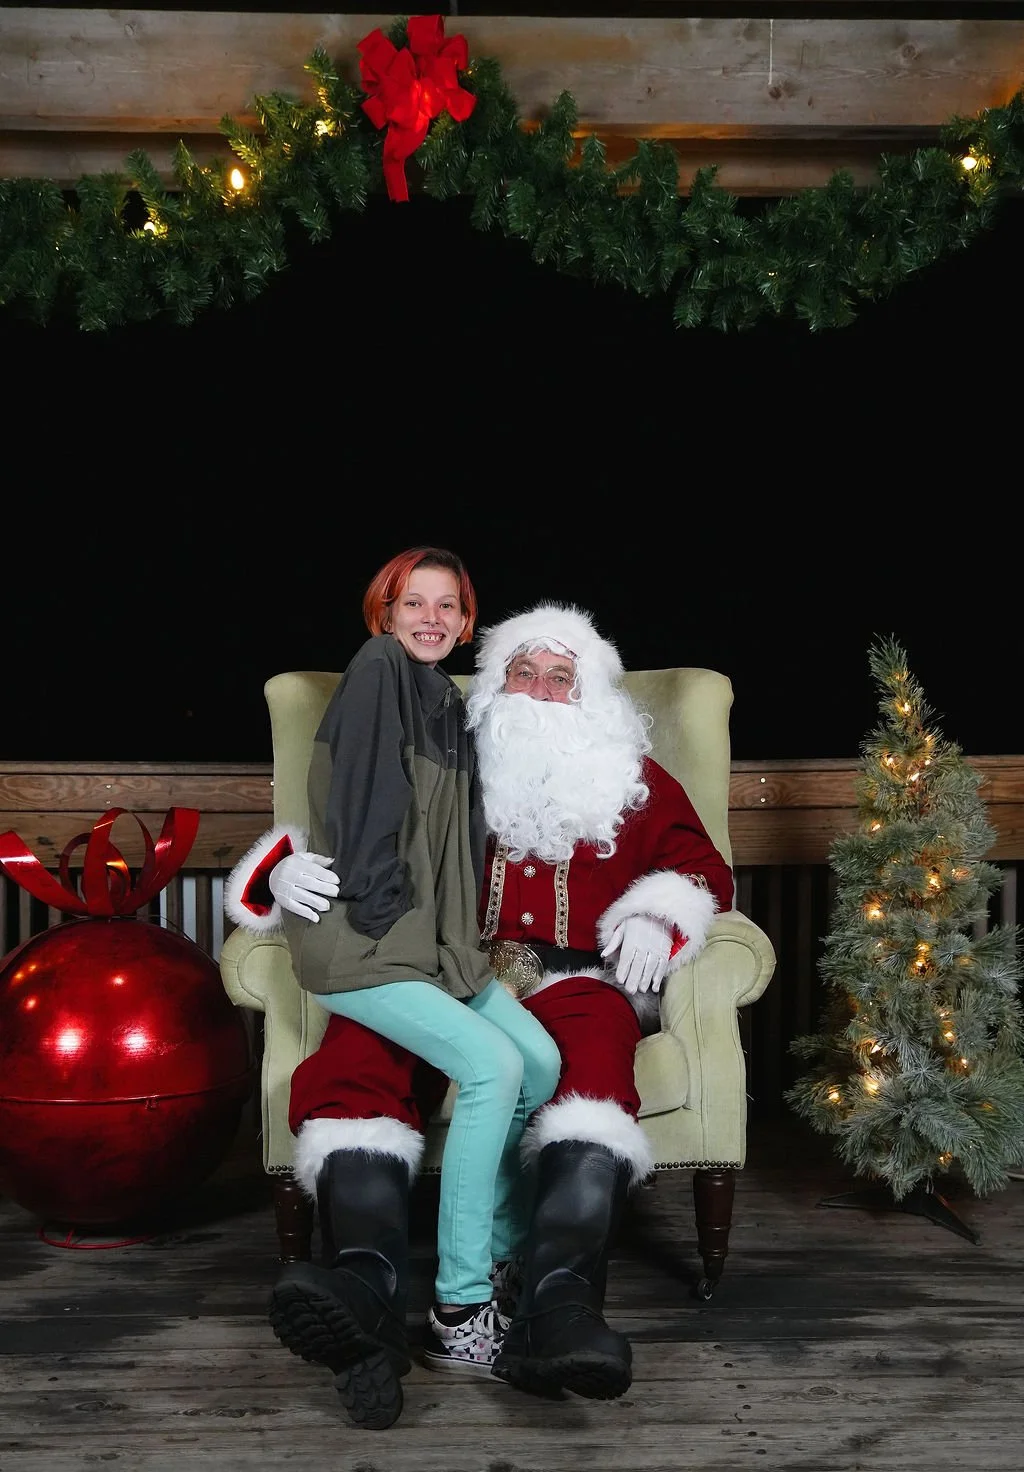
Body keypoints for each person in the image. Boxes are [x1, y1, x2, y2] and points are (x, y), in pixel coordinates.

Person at [230, 600, 733, 1410]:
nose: (537, 691)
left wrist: (660, 912)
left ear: (590, 698)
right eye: (521, 673)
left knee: (592, 1066)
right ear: (494, 687)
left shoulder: (634, 780)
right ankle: (367, 1286)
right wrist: (282, 871)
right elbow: (356, 815)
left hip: (577, 979)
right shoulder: (452, 756)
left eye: (558, 679)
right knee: (362, 1054)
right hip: (437, 965)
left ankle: (558, 1309)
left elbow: (702, 866)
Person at [226, 551, 561, 1430]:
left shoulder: (444, 700)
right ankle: (458, 1310)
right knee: (491, 1065)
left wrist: (455, 950)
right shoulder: (379, 671)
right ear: (385, 609)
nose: (429, 617)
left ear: (464, 620)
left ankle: (500, 1253)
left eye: (447, 606)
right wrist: (382, 924)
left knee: (539, 1058)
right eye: (413, 601)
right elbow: (367, 816)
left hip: (438, 947)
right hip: (368, 942)